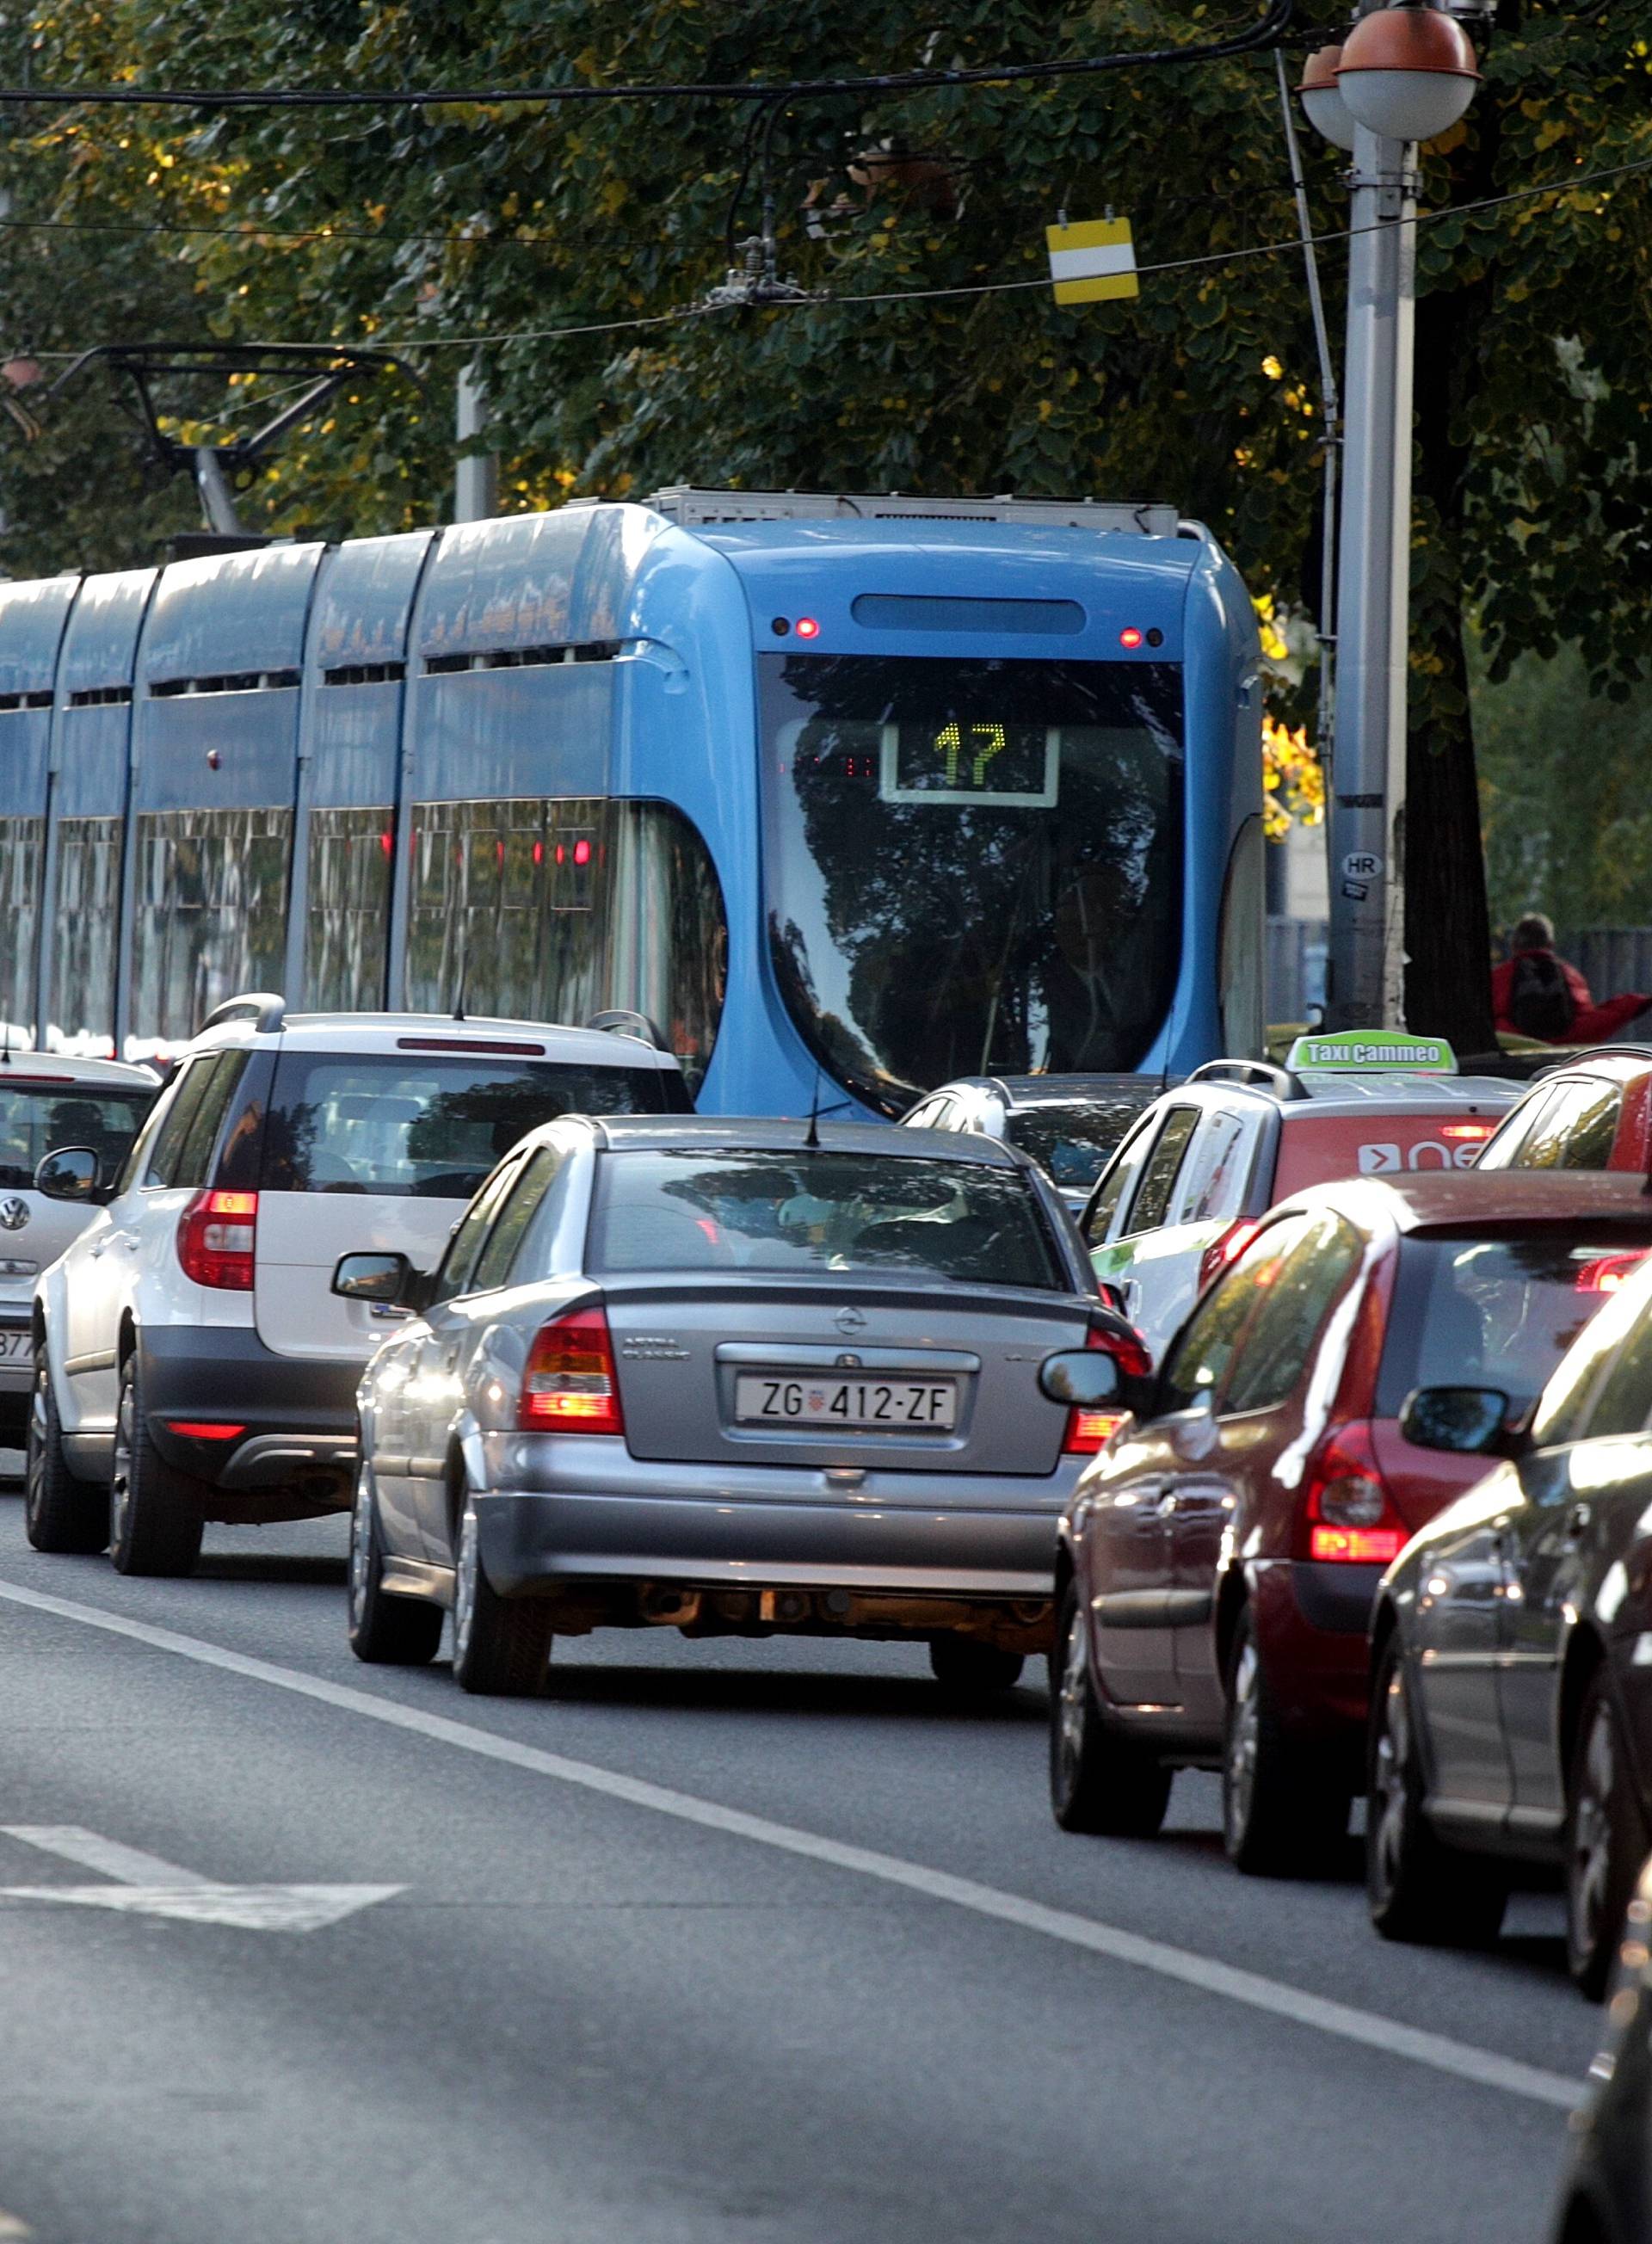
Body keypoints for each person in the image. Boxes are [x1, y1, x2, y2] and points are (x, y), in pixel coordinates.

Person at [1491, 913, 1652, 1045]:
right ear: (1551, 944)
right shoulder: (1568, 973)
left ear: (1514, 945)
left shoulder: (1500, 975)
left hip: (1514, 1043)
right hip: (1566, 1044)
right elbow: (1585, 1013)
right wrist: (1639, 1003)